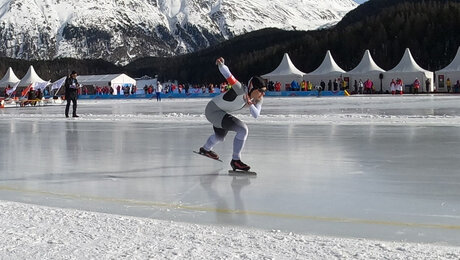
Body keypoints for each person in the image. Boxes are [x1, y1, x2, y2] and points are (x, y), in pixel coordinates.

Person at [198, 57, 266, 171]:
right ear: (252, 88)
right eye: (261, 91)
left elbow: (256, 115)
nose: (262, 94)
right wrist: (221, 65)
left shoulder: (258, 100)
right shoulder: (240, 89)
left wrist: (251, 105)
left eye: (264, 91)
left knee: (220, 137)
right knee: (243, 129)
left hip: (220, 112)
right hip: (212, 111)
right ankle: (236, 160)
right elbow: (228, 75)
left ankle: (205, 149)